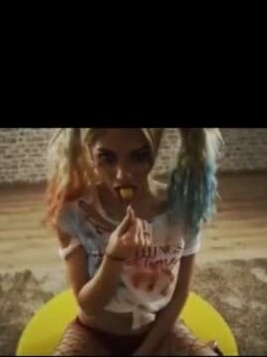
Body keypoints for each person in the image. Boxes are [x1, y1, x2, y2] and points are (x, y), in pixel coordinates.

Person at [45, 128, 223, 356]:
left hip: (160, 333)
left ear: (154, 150)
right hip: (93, 333)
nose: (122, 175)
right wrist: (114, 258)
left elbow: (179, 294)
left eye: (138, 157)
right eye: (107, 158)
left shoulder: (184, 209)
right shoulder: (74, 213)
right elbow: (89, 305)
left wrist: (144, 351)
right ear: (90, 152)